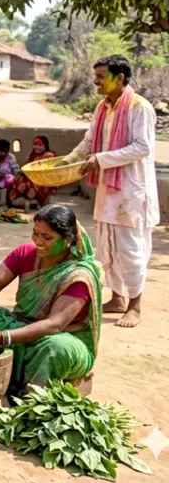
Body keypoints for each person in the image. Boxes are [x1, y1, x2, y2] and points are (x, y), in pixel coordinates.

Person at [0, 204, 101, 394]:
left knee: (55, 348)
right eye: (35, 233)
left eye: (47, 238)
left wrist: (2, 337)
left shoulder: (78, 276)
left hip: (58, 338)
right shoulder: (26, 253)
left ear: (68, 240)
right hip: (21, 325)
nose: (38, 241)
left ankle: (29, 398)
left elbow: (54, 325)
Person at [63, 55, 159, 329]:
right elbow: (89, 141)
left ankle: (135, 305)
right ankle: (117, 298)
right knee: (107, 247)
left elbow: (142, 147)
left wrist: (101, 159)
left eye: (100, 76)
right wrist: (68, 160)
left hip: (131, 191)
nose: (95, 81)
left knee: (130, 249)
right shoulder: (102, 107)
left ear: (119, 78)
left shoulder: (140, 107)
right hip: (108, 189)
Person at [8, 136, 57, 209]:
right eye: (35, 145)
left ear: (45, 146)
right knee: (19, 181)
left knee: (29, 186)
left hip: (44, 182)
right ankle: (31, 203)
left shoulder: (49, 156)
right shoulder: (32, 156)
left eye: (40, 145)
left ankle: (34, 202)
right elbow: (25, 168)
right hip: (32, 179)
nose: (37, 147)